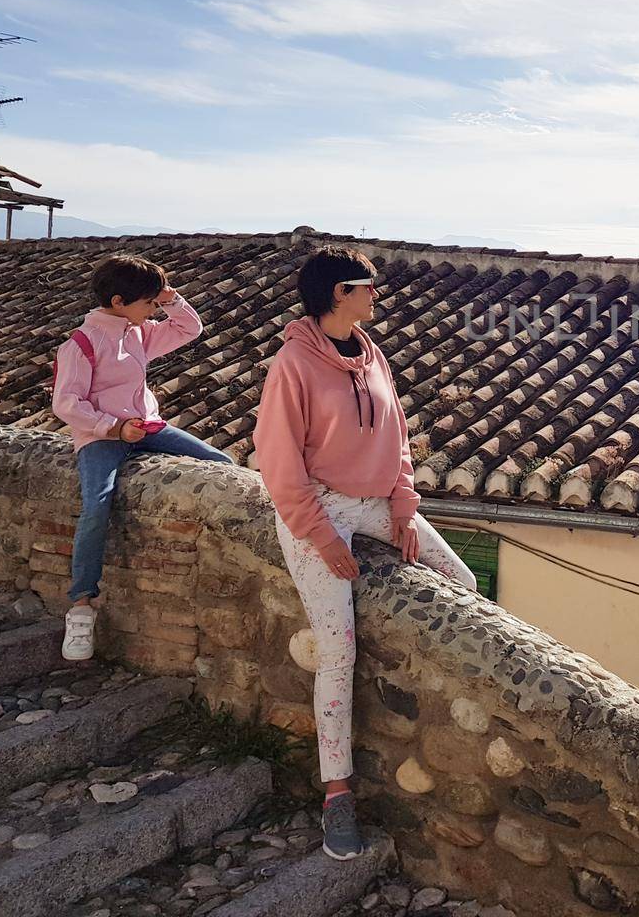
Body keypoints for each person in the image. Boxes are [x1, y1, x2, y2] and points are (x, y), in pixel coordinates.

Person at [253, 246, 476, 862]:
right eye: (366, 286)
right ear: (337, 295)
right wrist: (321, 537)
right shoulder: (293, 365)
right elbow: (278, 460)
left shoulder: (369, 353)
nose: (376, 295)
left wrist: (404, 507)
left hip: (373, 503)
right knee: (338, 648)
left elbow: (396, 436)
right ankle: (337, 793)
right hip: (316, 513)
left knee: (460, 581)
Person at [51, 254, 232, 661]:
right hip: (102, 437)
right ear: (119, 301)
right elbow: (66, 403)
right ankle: (81, 604)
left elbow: (190, 328)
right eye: (148, 303)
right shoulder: (80, 344)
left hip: (148, 427)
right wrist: (112, 428)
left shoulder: (138, 333)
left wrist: (169, 298)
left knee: (220, 464)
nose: (153, 310)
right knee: (97, 504)